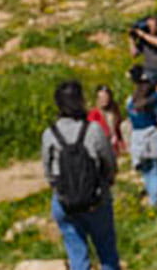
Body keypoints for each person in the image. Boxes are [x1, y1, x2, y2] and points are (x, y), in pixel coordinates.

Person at [41, 79, 122, 270]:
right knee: (107, 251)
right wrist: (109, 179)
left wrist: (59, 188)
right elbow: (108, 160)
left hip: (65, 201)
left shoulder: (49, 134)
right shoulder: (93, 129)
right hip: (96, 198)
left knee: (77, 254)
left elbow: (48, 171)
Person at [126, 64, 157, 207]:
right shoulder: (152, 99)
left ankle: (152, 195)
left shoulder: (130, 102)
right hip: (151, 134)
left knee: (146, 170)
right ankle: (154, 199)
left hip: (137, 137)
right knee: (155, 169)